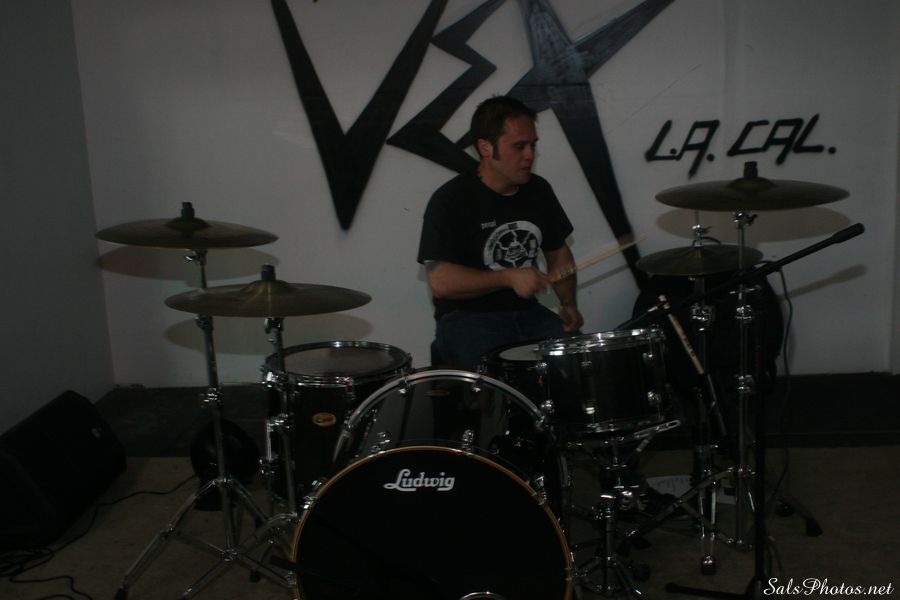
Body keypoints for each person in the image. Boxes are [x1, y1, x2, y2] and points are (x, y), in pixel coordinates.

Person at [417, 95, 584, 371]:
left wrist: (568, 303)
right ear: (485, 147)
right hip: (467, 319)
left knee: (578, 362)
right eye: (519, 146)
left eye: (533, 145)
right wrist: (507, 277)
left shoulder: (539, 190)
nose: (529, 154)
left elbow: (558, 253)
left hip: (528, 313)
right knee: (499, 376)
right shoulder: (451, 199)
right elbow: (441, 281)